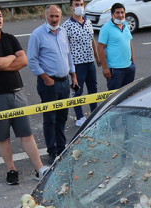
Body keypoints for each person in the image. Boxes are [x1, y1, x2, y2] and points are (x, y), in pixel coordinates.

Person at [0, 4, 45, 185]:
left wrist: (1, 64)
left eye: (1, 16)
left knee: (26, 134)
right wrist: (10, 58)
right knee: (2, 137)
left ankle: (40, 169)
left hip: (17, 93)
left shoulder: (10, 38)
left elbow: (23, 60)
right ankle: (11, 170)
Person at [28, 5, 79, 165]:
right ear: (45, 16)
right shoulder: (37, 35)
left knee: (62, 117)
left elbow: (68, 55)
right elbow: (32, 60)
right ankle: (52, 151)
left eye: (57, 16)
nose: (55, 19)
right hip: (48, 83)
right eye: (51, 16)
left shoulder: (63, 32)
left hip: (64, 82)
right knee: (50, 118)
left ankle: (62, 148)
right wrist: (45, 77)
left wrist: (73, 75)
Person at [63, 0, 101, 128]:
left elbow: (92, 40)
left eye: (81, 4)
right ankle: (79, 117)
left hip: (90, 62)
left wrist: (97, 56)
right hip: (77, 64)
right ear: (72, 8)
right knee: (77, 90)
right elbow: (65, 48)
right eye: (77, 5)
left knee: (93, 90)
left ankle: (94, 114)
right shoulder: (67, 26)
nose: (80, 7)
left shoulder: (88, 22)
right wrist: (69, 66)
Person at [98, 3, 136, 90]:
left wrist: (132, 62)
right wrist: (105, 68)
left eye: (122, 12)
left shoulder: (126, 25)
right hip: (116, 70)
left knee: (127, 95)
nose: (120, 15)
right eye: (117, 13)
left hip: (129, 68)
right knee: (114, 97)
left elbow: (129, 42)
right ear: (112, 15)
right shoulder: (106, 28)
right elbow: (100, 48)